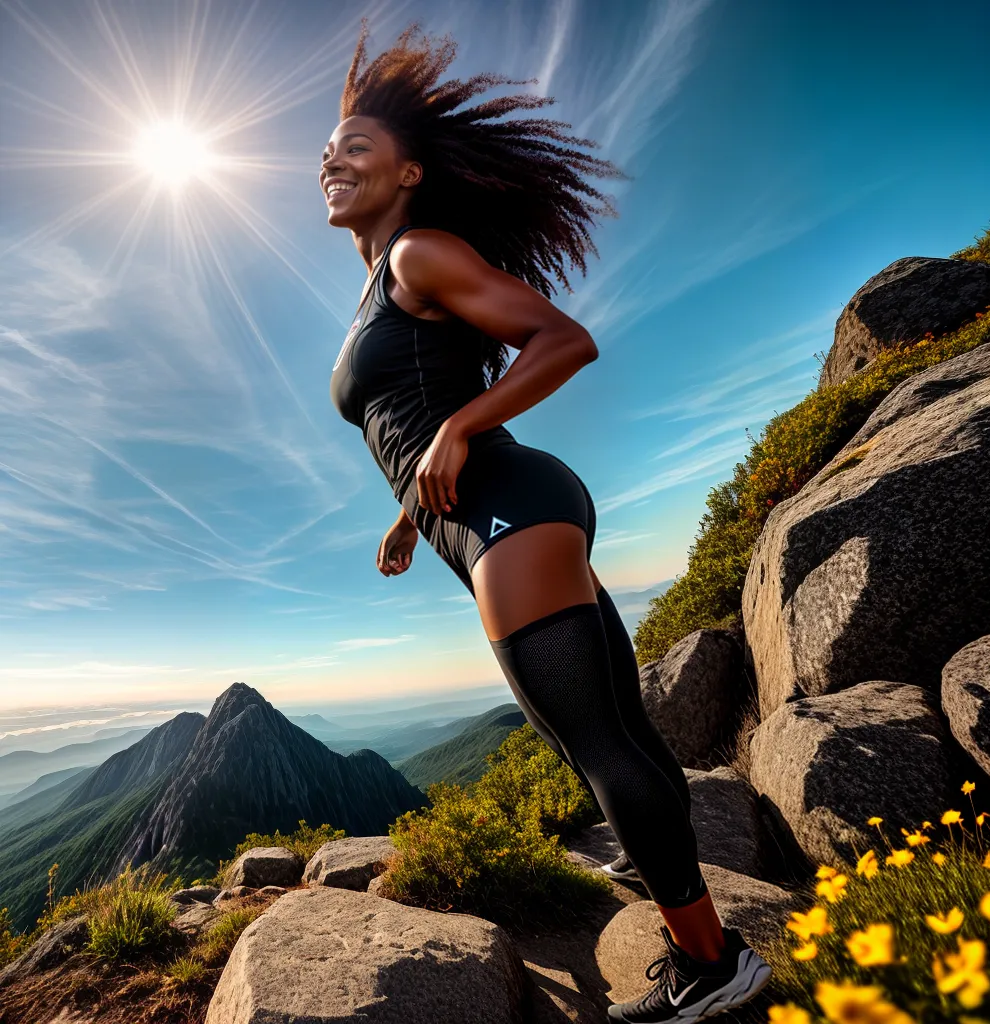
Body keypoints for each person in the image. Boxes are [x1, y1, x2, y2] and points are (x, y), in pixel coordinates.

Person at [322, 20, 771, 1023]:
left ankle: (712, 965)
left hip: (509, 509)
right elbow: (412, 415)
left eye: (355, 146)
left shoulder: (420, 252)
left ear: (409, 170)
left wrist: (459, 433)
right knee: (615, 729)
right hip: (500, 512)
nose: (333, 161)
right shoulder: (379, 278)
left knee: (597, 746)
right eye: (326, 151)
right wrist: (409, 516)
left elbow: (562, 341)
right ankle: (667, 871)